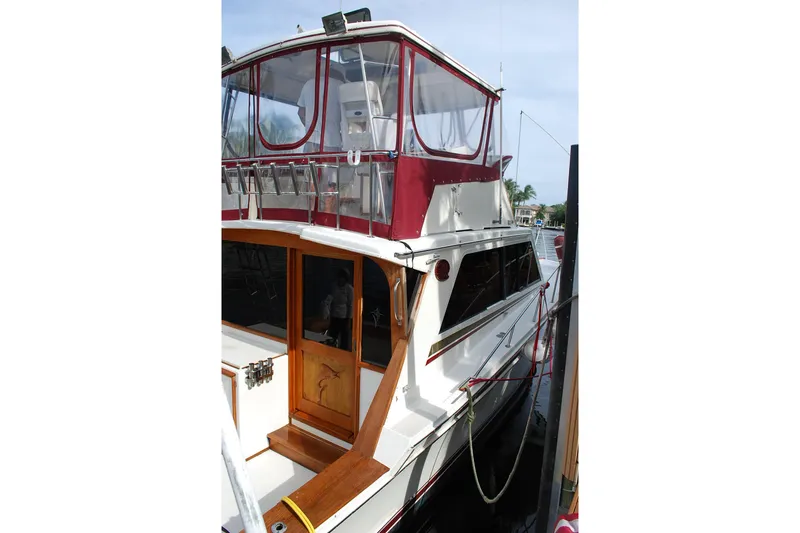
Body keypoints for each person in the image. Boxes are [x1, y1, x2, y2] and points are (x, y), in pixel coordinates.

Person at [297, 64, 344, 153]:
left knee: (309, 166)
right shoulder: (341, 86)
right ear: (341, 75)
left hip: (310, 142)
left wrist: (312, 128)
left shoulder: (309, 83)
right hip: (332, 142)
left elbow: (301, 113)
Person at [322, 268, 353, 350]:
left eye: (343, 277)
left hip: (344, 317)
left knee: (344, 337)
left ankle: (344, 351)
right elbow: (329, 300)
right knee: (332, 335)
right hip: (334, 315)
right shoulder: (334, 286)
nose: (341, 279)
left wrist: (349, 319)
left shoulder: (349, 289)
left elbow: (350, 305)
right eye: (340, 277)